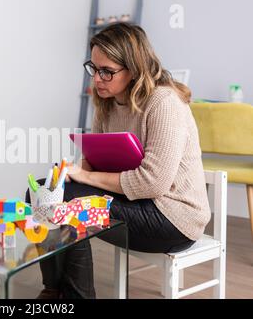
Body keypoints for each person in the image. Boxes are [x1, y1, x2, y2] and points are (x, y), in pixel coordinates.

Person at [33, 22, 211, 299]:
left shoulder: (163, 103)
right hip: (134, 202)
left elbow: (153, 183)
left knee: (70, 205)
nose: (97, 79)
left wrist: (85, 177)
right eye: (94, 68)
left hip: (173, 219)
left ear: (135, 68)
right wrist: (71, 174)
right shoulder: (108, 102)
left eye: (107, 71)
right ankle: (53, 289)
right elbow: (94, 158)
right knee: (43, 191)